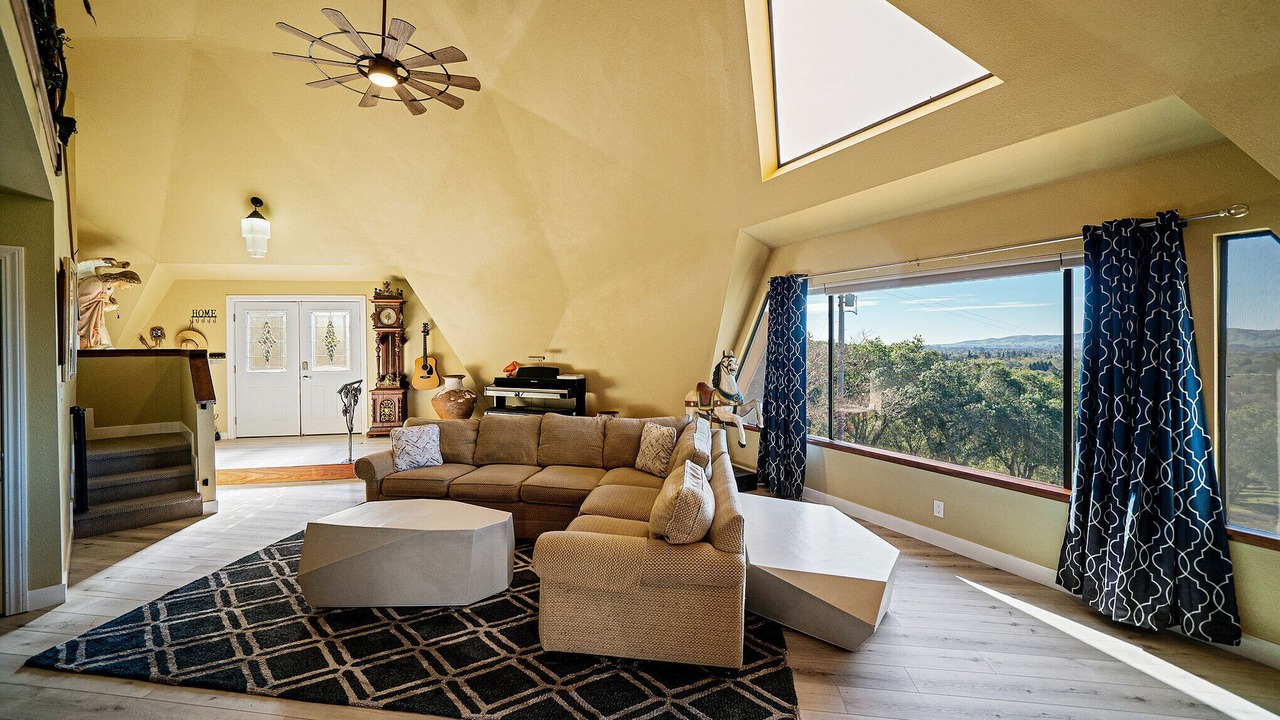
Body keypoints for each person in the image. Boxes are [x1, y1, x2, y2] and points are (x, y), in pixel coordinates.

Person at [78, 270, 140, 348]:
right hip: (83, 319)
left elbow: (100, 306)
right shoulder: (96, 285)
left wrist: (108, 303)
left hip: (93, 321)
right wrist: (107, 304)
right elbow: (81, 303)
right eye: (131, 285)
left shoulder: (109, 288)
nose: (130, 288)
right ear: (124, 279)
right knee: (87, 343)